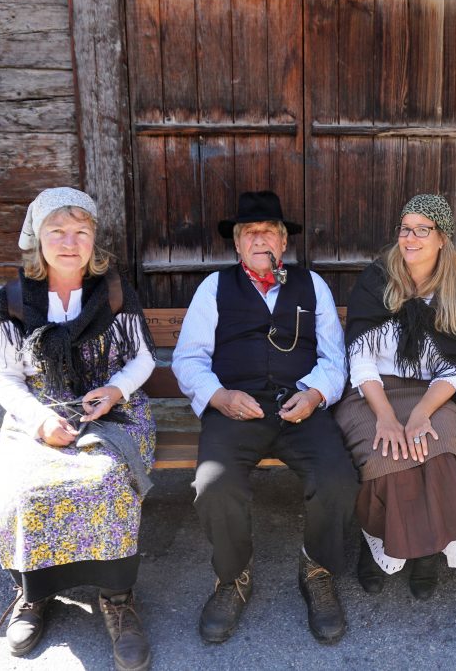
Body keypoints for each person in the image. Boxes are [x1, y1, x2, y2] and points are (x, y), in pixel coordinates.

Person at [171, 190, 358, 644]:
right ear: (237, 245)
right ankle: (232, 576)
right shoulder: (214, 288)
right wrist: (219, 397)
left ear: (283, 242)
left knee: (338, 478)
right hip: (236, 409)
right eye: (250, 234)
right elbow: (188, 359)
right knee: (214, 485)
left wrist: (314, 394)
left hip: (300, 407)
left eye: (269, 232)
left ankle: (317, 569)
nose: (260, 240)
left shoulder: (312, 286)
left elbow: (335, 359)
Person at [0, 187, 156, 671]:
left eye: (80, 231)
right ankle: (33, 593)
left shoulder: (114, 293)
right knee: (23, 484)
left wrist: (116, 390)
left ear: (94, 240)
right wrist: (38, 420)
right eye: (57, 231)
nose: (69, 241)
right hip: (38, 411)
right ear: (37, 238)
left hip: (113, 408)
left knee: (105, 480)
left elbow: (142, 358)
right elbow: (3, 375)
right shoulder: (14, 300)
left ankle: (118, 599)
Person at [335, 194, 456, 600]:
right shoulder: (377, 280)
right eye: (406, 229)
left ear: (442, 239)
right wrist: (384, 416)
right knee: (388, 457)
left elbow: (455, 369)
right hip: (371, 392)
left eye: (423, 230)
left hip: (431, 394)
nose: (411, 238)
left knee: (437, 452)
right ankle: (378, 546)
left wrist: (421, 413)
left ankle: (426, 554)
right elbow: (360, 359)